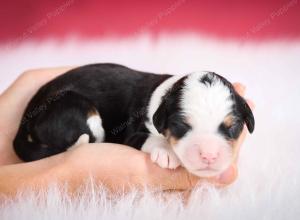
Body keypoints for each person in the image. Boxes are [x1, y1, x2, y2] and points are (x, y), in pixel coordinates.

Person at [0, 67, 254, 197]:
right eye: (185, 128)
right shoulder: (149, 113)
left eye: (229, 128)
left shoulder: (165, 102)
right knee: (90, 125)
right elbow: (134, 137)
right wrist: (157, 145)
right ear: (161, 120)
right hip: (67, 109)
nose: (209, 153)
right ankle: (62, 144)